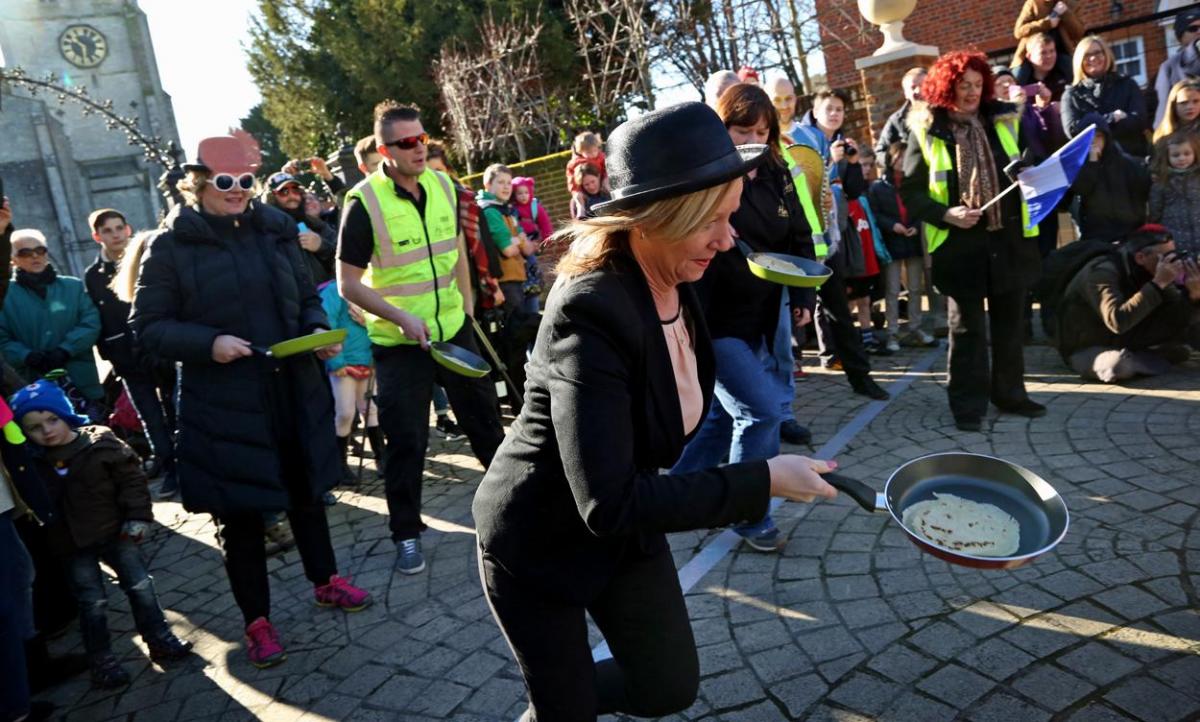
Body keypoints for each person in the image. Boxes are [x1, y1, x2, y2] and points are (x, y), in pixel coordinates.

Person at [472, 100, 840, 720]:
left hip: (623, 527)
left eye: (731, 217)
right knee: (566, 710)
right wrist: (762, 478)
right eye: (714, 222)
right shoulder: (589, 311)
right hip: (541, 541)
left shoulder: (676, 277)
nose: (728, 241)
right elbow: (606, 502)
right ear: (655, 219)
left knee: (667, 684)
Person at [131, 133, 372, 668]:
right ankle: (257, 621)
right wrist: (208, 344)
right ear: (196, 185)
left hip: (292, 386)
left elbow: (307, 297)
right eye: (224, 181)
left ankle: (326, 580)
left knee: (308, 491)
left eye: (245, 180)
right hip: (225, 401)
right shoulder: (171, 246)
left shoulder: (277, 230)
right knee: (240, 516)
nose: (237, 190)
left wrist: (317, 330)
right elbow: (146, 327)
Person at [337, 102, 505, 575]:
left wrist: (467, 309)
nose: (419, 148)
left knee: (488, 427)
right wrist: (400, 318)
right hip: (399, 346)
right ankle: (406, 534)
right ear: (385, 150)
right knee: (407, 442)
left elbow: (457, 254)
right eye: (408, 143)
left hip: (453, 333)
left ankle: (515, 513)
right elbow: (349, 284)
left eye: (423, 139)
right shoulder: (363, 202)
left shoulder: (444, 185)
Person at [671, 83, 817, 552]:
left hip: (761, 315)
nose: (753, 138)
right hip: (710, 321)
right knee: (761, 411)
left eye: (762, 129)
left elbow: (799, 235)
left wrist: (803, 297)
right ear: (722, 128)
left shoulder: (777, 172)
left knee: (718, 417)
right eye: (741, 130)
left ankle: (673, 494)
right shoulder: (700, 180)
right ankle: (749, 513)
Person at [10, 380, 193, 688]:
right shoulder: (34, 463)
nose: (47, 431)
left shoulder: (100, 444)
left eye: (52, 420)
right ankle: (102, 659)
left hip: (116, 532)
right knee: (91, 602)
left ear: (66, 414)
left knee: (139, 586)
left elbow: (132, 482)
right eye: (35, 427)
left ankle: (159, 637)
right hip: (72, 544)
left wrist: (137, 517)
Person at [902, 51, 1046, 432]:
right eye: (963, 85)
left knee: (1010, 324)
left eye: (977, 84)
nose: (971, 92)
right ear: (947, 87)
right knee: (966, 329)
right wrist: (947, 214)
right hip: (959, 245)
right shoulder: (927, 129)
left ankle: (1010, 393)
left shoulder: (1004, 118)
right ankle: (967, 406)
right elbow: (913, 192)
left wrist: (1028, 170)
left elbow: (1031, 160)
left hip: (1009, 239)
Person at [792, 89, 890, 399]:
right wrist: (828, 162)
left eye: (839, 109)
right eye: (829, 108)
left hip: (830, 238)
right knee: (792, 313)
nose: (835, 114)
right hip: (798, 239)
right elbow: (804, 185)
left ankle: (860, 376)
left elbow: (855, 190)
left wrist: (852, 162)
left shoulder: (841, 141)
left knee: (839, 308)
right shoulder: (798, 137)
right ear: (814, 111)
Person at [84, 210, 179, 498]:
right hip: (126, 356)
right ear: (97, 236)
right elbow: (99, 317)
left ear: (128, 229)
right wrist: (112, 352)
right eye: (108, 230)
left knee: (178, 407)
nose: (115, 235)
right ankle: (170, 467)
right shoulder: (93, 275)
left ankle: (189, 461)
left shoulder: (148, 259)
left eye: (119, 228)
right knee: (150, 415)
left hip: (159, 348)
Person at [1056, 225, 1200, 382]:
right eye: (1166, 256)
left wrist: (1193, 296)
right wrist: (1158, 283)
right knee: (1117, 367)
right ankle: (1153, 356)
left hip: (1131, 337)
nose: (1173, 262)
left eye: (1174, 255)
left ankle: (1152, 355)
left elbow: (1176, 316)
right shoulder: (1101, 273)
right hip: (1091, 345)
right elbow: (1118, 321)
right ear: (1140, 257)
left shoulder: (1152, 269)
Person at [0, 229, 103, 411]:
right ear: (12, 259)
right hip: (33, 386)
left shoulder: (73, 286)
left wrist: (66, 350)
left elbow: (91, 323)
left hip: (80, 380)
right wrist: (27, 356)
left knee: (97, 433)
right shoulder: (5, 295)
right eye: (25, 253)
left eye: (40, 250)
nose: (35, 256)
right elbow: (2, 338)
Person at [870, 142, 936, 348]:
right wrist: (893, 226)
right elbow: (875, 214)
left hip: (913, 241)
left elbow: (922, 207)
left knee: (916, 288)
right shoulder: (878, 187)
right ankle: (892, 333)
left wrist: (916, 226)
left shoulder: (916, 183)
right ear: (890, 159)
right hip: (892, 243)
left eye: (905, 157)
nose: (901, 161)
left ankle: (915, 327)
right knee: (892, 290)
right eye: (898, 157)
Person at [319, 280, 383, 482]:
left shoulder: (370, 286)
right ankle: (339, 464)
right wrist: (335, 361)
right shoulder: (333, 291)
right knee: (345, 412)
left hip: (367, 358)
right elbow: (327, 323)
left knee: (370, 409)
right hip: (344, 363)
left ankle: (382, 458)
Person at [1061, 36, 1149, 158]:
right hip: (1093, 162)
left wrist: (1095, 127)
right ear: (1079, 60)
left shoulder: (1127, 84)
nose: (1093, 58)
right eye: (1087, 55)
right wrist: (1112, 118)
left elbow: (1140, 120)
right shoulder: (1071, 95)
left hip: (1130, 157)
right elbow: (1073, 131)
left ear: (1106, 55)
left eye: (1098, 52)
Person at [1071, 114, 1151, 244]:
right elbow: (1081, 189)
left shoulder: (1126, 163)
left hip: (1129, 233)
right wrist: (1092, 163)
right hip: (1094, 235)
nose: (1094, 141)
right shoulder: (1076, 166)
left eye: (1098, 136)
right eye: (1089, 137)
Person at [477, 164, 536, 317]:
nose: (506, 187)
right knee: (517, 332)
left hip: (518, 279)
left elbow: (528, 249)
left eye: (509, 183)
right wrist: (520, 240)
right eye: (501, 182)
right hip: (505, 282)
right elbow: (508, 250)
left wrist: (517, 241)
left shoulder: (507, 210)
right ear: (488, 184)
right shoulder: (490, 211)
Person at [262, 171, 337, 286]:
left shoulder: (316, 224)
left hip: (328, 297)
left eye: (295, 190)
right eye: (284, 192)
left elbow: (345, 258)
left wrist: (321, 246)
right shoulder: (265, 232)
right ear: (271, 197)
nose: (292, 196)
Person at [1149, 132, 1200, 255]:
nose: (1182, 158)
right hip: (1174, 235)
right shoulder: (1162, 182)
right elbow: (1155, 209)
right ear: (1167, 157)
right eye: (1176, 155)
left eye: (1187, 154)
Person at [1013, 0, 1082, 80]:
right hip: (1034, 53)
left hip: (1061, 52)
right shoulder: (1033, 3)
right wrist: (1046, 23)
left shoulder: (1071, 4)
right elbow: (1018, 31)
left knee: (1076, 73)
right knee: (1018, 78)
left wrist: (1066, 13)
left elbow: (1078, 33)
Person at [1154, 8, 1200, 127]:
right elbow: (1164, 114)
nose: (1199, 31)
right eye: (1193, 28)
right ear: (1181, 37)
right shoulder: (1169, 68)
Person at [510, 176, 549, 311]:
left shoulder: (534, 206)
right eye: (519, 193)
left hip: (530, 245)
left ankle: (533, 298)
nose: (523, 196)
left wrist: (543, 242)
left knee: (532, 274)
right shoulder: (511, 209)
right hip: (515, 246)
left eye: (526, 192)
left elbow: (545, 225)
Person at [873, 67, 927, 157]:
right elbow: (880, 152)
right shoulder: (897, 120)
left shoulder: (946, 111)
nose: (918, 90)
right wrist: (898, 161)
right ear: (906, 93)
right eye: (913, 87)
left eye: (923, 86)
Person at [1013, 32, 1070, 103]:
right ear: (1029, 56)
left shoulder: (1065, 73)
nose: (1049, 56)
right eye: (1043, 53)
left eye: (1052, 51)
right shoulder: (1024, 83)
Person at [1152, 78, 1200, 143]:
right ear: (1173, 105)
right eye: (1183, 103)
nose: (1190, 107)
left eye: (1196, 101)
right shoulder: (1163, 134)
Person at [565, 131, 608, 200]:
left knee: (607, 184)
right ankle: (581, 209)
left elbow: (607, 169)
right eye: (589, 152)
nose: (593, 154)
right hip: (584, 190)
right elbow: (571, 179)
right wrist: (576, 191)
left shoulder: (601, 157)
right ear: (580, 152)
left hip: (600, 185)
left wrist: (606, 178)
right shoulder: (577, 162)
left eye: (595, 150)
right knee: (578, 198)